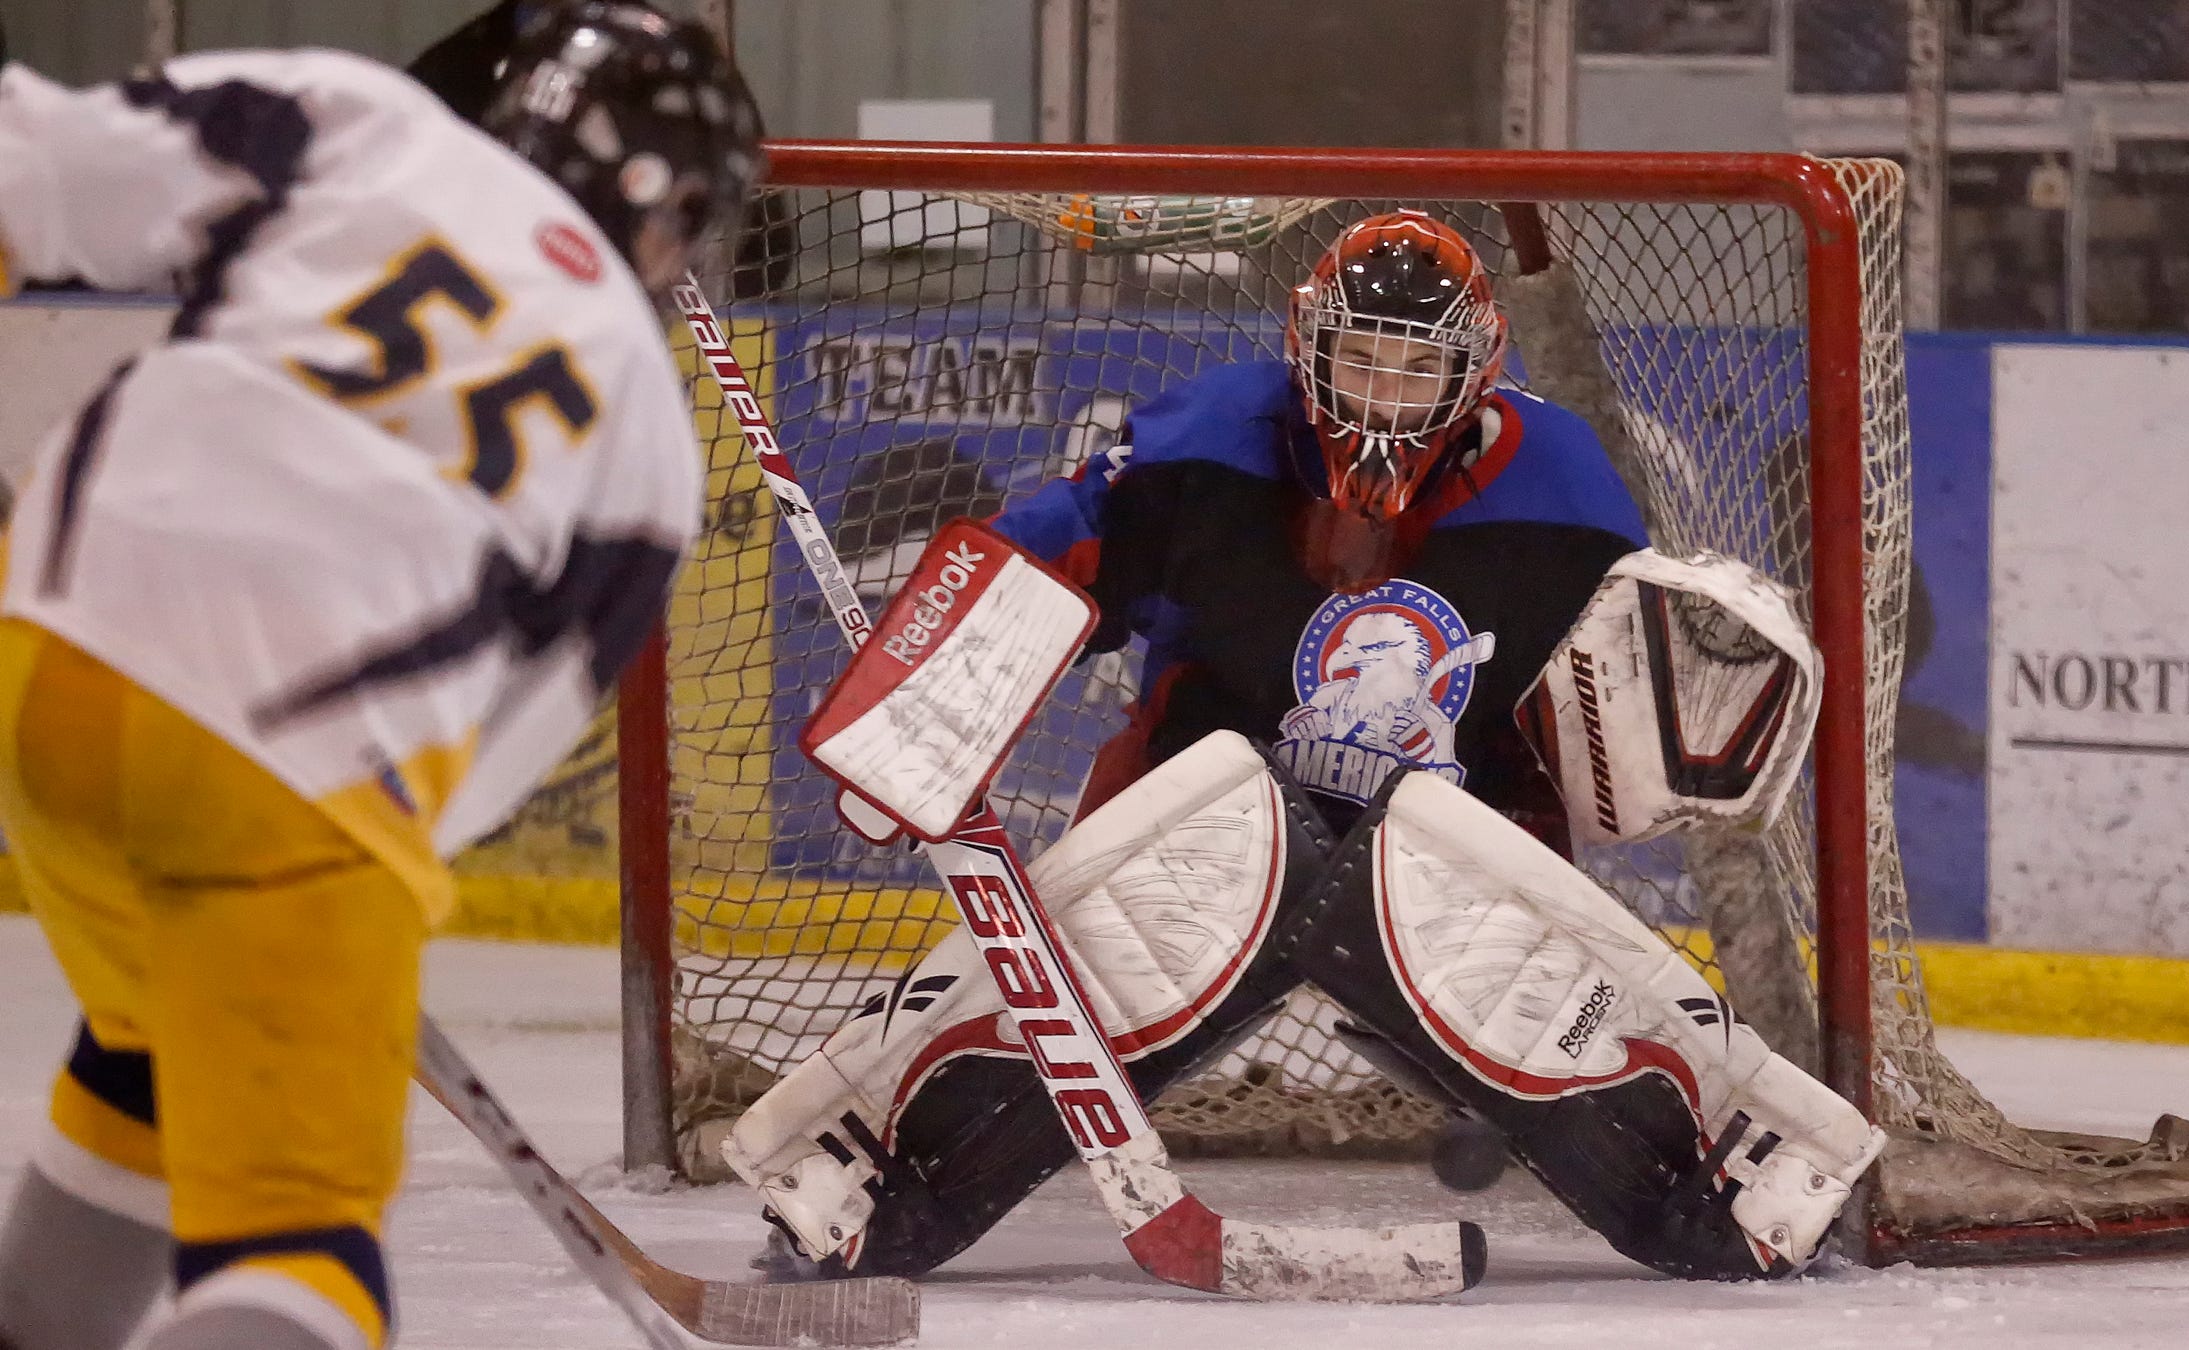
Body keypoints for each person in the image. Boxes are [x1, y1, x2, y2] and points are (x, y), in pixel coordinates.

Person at [722, 211, 1880, 1286]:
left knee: (1450, 880)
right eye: (1361, 358)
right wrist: (929, 687)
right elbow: (1049, 556)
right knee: (1230, 826)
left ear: (1475, 371)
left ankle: (1738, 1179)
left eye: (1417, 367)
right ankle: (857, 1170)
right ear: (1306, 348)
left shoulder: (1565, 492)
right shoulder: (1208, 442)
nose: (1384, 397)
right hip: (1197, 811)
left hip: (1445, 854)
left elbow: (1601, 710)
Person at [0, 6, 758, 1348]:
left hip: (44, 658)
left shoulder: (360, 122)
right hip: (284, 784)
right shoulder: (644, 427)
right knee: (303, 1259)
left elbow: (29, 167)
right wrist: (351, 893)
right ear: (667, 202)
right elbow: (494, 740)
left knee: (155, 1056)